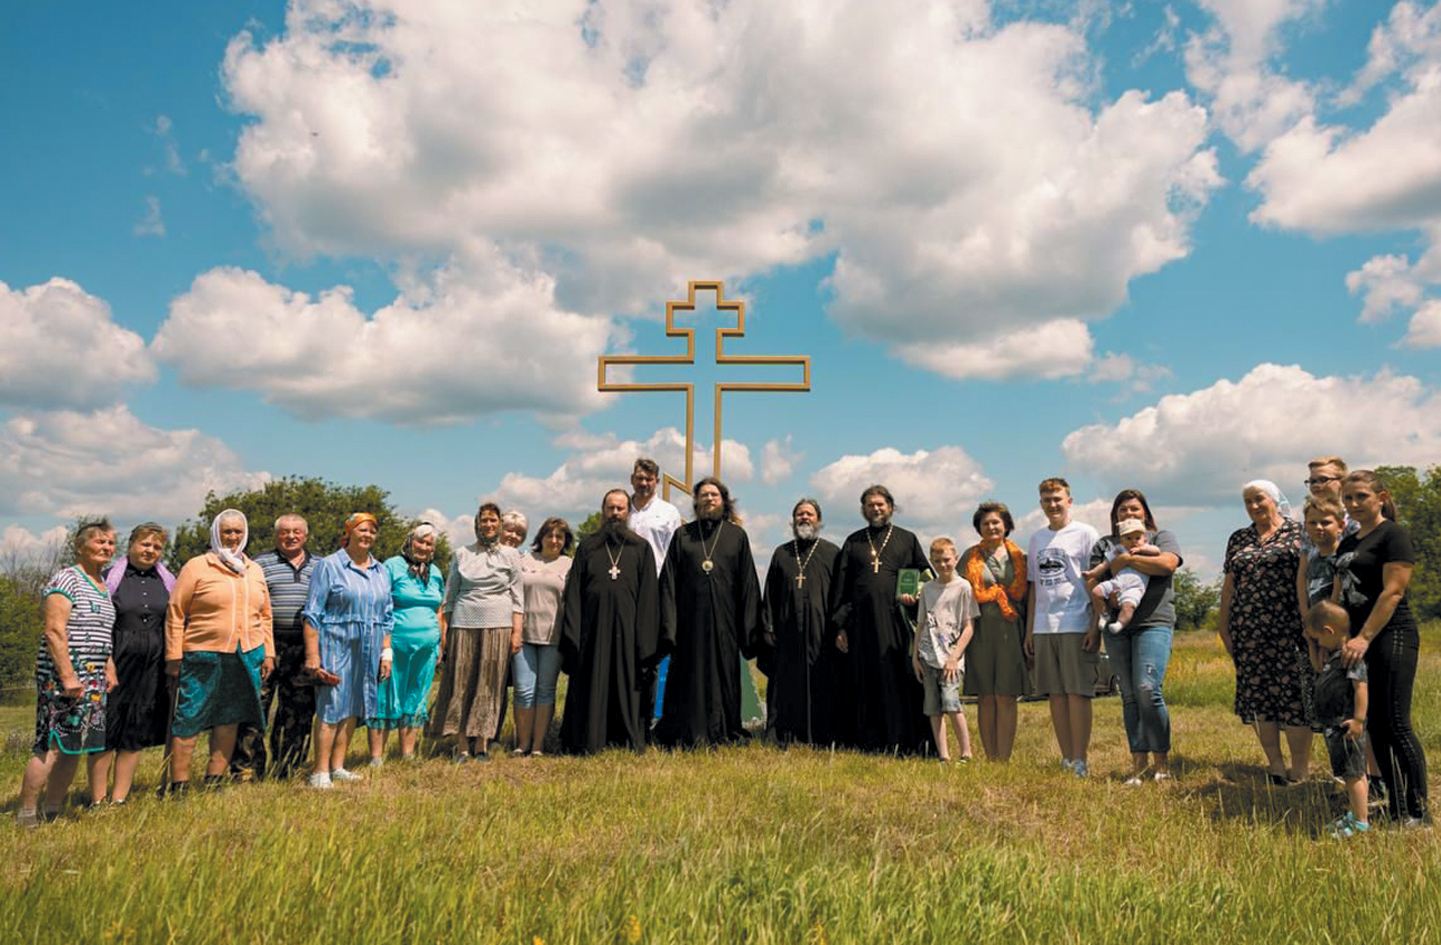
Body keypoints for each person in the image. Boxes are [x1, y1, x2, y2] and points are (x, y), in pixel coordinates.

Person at [1335, 469, 1429, 827]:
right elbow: (1341, 593)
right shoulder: (1348, 543)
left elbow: (1393, 592)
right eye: (1348, 498)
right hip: (1359, 641)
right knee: (1374, 724)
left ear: (1381, 497)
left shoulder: (1394, 535)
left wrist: (1364, 637)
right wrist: (1343, 635)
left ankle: (1419, 812)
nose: (1355, 503)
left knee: (1396, 724)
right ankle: (1396, 807)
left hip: (1392, 635)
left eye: (1361, 496)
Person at [165, 510, 275, 794]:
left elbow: (265, 615)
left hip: (247, 653)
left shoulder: (254, 569)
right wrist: (174, 655)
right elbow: (176, 612)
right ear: (216, 533)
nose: (233, 537)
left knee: (229, 718)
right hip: (204, 654)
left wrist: (269, 653)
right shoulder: (198, 566)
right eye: (227, 531)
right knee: (189, 716)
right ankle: (179, 785)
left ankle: (214, 781)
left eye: (238, 531)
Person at [16, 520, 118, 827]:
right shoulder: (67, 578)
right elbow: (54, 631)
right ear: (80, 546)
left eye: (111, 543)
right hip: (63, 677)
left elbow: (102, 634)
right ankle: (26, 813)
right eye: (99, 542)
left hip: (94, 678)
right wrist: (68, 676)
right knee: (50, 744)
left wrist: (108, 667)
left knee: (76, 744)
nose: (107, 547)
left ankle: (53, 809)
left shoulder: (102, 585)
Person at [654, 478, 762, 747]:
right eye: (703, 495)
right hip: (689, 623)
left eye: (714, 495)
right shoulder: (683, 536)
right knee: (687, 676)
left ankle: (723, 729)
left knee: (723, 677)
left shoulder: (736, 536)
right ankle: (683, 729)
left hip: (725, 624)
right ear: (696, 502)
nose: (709, 499)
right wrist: (669, 626)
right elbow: (668, 583)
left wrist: (749, 628)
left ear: (723, 501)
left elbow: (748, 584)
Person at [1217, 480, 1311, 785]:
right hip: (1247, 631)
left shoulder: (1298, 532)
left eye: (1259, 499)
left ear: (1274, 499)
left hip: (1290, 629)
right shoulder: (1238, 538)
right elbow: (1229, 586)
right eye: (1248, 502)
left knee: (1293, 696)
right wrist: (1224, 624)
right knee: (1258, 696)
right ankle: (1275, 765)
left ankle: (1300, 768)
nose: (1254, 506)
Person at [1089, 490, 1183, 785]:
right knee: (1129, 695)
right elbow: (1094, 582)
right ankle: (1139, 765)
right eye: (1122, 511)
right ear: (1115, 518)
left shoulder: (1160, 537)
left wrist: (1122, 563)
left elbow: (1167, 564)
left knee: (1147, 688)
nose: (1129, 514)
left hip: (1154, 622)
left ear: (1146, 514)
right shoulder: (1104, 544)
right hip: (1117, 627)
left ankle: (1162, 763)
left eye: (1134, 509)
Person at [829, 484, 930, 754]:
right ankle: (868, 741)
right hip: (861, 626)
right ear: (863, 509)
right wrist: (840, 626)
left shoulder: (907, 539)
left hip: (898, 624)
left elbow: (926, 576)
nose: (876, 509)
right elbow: (841, 587)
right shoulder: (853, 541)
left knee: (899, 682)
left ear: (891, 507)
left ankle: (903, 740)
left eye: (881, 504)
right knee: (865, 683)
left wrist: (918, 591)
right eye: (870, 505)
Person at [558, 490, 661, 754]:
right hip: (592, 633)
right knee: (592, 684)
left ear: (628, 512)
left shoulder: (641, 548)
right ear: (603, 511)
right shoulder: (588, 547)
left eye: (620, 508)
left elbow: (649, 596)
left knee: (627, 685)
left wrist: (646, 641)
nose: (615, 513)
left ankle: (627, 738)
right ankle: (588, 739)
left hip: (629, 634)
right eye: (610, 508)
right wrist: (574, 634)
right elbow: (574, 594)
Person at [302, 513, 393, 788]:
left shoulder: (381, 570)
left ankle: (338, 766)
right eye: (362, 530)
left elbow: (387, 615)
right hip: (336, 644)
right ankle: (320, 771)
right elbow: (312, 613)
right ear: (350, 532)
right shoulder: (329, 566)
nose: (367, 535)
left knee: (354, 705)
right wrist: (312, 654)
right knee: (331, 707)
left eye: (372, 531)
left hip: (369, 646)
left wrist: (385, 653)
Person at [429, 502, 523, 762]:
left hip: (499, 625)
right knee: (461, 683)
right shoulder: (462, 554)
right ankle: (461, 746)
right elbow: (450, 595)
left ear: (500, 524)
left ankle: (481, 744)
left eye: (493, 520)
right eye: (484, 520)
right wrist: (445, 631)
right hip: (464, 623)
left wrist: (517, 632)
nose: (489, 525)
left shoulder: (511, 555)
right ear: (477, 524)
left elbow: (518, 597)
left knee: (489, 685)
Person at [91, 523, 174, 805]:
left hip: (152, 661)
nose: (150, 551)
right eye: (145, 544)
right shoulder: (108, 579)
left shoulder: (166, 582)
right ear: (131, 545)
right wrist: (106, 661)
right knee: (107, 727)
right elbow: (99, 624)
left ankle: (119, 798)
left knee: (136, 728)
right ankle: (98, 798)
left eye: (157, 547)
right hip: (116, 659)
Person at [1025, 478, 1102, 777]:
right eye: (1046, 500)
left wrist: (1096, 624)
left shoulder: (1085, 534)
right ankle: (1066, 757)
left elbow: (1094, 581)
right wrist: (1030, 629)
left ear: (1069, 500)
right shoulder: (1036, 539)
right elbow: (1034, 588)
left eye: (1057, 499)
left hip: (1076, 621)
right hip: (1045, 626)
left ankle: (1081, 758)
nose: (1052, 504)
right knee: (1055, 694)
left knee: (1077, 692)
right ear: (1041, 504)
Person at [232, 514, 317, 781]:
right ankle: (248, 771)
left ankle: (288, 769)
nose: (291, 536)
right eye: (285, 532)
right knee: (257, 706)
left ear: (305, 535)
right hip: (265, 644)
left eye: (296, 532)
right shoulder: (259, 563)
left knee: (298, 712)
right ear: (276, 535)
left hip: (304, 647)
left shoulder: (321, 565)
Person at [760, 498, 842, 745]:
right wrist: (768, 625)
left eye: (809, 514)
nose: (804, 518)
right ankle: (783, 733)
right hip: (786, 632)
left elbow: (840, 595)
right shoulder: (781, 553)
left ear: (819, 520)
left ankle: (821, 734)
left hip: (821, 633)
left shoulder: (831, 552)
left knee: (822, 682)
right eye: (799, 514)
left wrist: (840, 628)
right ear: (793, 520)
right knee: (787, 683)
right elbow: (770, 593)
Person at [960, 502, 1029, 762]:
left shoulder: (1019, 557)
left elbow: (1029, 596)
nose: (991, 527)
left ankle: (1004, 758)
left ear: (1006, 526)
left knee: (1006, 695)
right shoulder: (969, 556)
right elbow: (958, 592)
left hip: (1012, 630)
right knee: (986, 696)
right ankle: (990, 759)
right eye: (986, 523)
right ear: (979, 527)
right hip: (980, 632)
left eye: (996, 522)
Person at [370, 523, 444, 764]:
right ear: (410, 541)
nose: (423, 547)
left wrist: (440, 643)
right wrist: (385, 647)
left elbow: (439, 608)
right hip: (395, 644)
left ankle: (407, 754)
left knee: (416, 696)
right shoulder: (392, 566)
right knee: (386, 694)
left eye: (429, 543)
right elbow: (380, 604)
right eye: (420, 541)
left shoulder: (436, 572)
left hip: (427, 647)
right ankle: (377, 757)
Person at [1304, 600, 1370, 838]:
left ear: (1329, 631)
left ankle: (1361, 823)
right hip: (1335, 727)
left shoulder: (1350, 657)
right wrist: (1313, 646)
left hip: (1346, 725)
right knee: (1348, 773)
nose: (1318, 643)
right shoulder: (1333, 656)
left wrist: (1358, 721)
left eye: (1318, 638)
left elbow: (1361, 688)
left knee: (1354, 775)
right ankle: (1354, 814)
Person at [911, 538, 977, 764]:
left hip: (951, 659)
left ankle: (966, 753)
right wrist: (915, 657)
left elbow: (969, 627)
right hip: (928, 657)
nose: (943, 565)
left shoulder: (963, 587)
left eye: (947, 560)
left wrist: (954, 657)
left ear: (955, 559)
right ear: (931, 562)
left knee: (951, 704)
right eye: (937, 561)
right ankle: (944, 756)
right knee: (933, 708)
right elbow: (920, 625)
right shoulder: (927, 589)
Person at [628, 457, 683, 725]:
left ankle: (650, 716)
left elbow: (676, 554)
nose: (644, 483)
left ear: (657, 482)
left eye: (649, 479)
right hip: (624, 589)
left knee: (651, 653)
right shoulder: (620, 509)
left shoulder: (668, 512)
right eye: (639, 478)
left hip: (656, 589)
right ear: (632, 479)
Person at [513, 516, 573, 756]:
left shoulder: (570, 564)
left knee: (546, 690)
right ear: (541, 537)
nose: (554, 540)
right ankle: (522, 744)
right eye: (550, 535)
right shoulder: (524, 560)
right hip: (523, 635)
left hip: (553, 637)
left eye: (560, 536)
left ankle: (538, 745)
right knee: (523, 690)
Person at [1085, 519, 1158, 634]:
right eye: (1128, 538)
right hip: (1117, 582)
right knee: (1096, 592)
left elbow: (1156, 551)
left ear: (1144, 539)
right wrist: (1092, 573)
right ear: (1122, 541)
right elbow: (1104, 565)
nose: (1134, 541)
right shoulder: (1118, 550)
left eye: (1137, 538)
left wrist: (1141, 548)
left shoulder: (1146, 549)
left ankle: (1120, 623)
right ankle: (1104, 614)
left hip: (1135, 586)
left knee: (1128, 606)